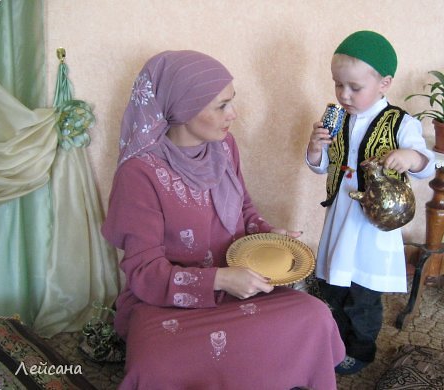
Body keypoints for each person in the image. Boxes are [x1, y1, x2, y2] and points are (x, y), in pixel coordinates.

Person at [102, 50, 345, 389]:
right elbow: (144, 272)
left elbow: (244, 209)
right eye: (221, 106)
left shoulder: (224, 147)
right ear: (182, 107)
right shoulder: (139, 173)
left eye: (232, 101)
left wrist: (267, 233)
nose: (234, 114)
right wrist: (219, 280)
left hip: (240, 286)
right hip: (169, 301)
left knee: (316, 316)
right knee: (155, 362)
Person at [306, 31, 435, 375]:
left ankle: (360, 351)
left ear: (384, 83)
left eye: (354, 87)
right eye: (337, 85)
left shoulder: (401, 122)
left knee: (363, 296)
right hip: (340, 217)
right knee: (332, 288)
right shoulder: (338, 118)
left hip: (372, 227)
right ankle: (332, 344)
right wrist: (316, 148)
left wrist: (410, 156)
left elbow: (428, 164)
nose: (343, 95)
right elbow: (322, 166)